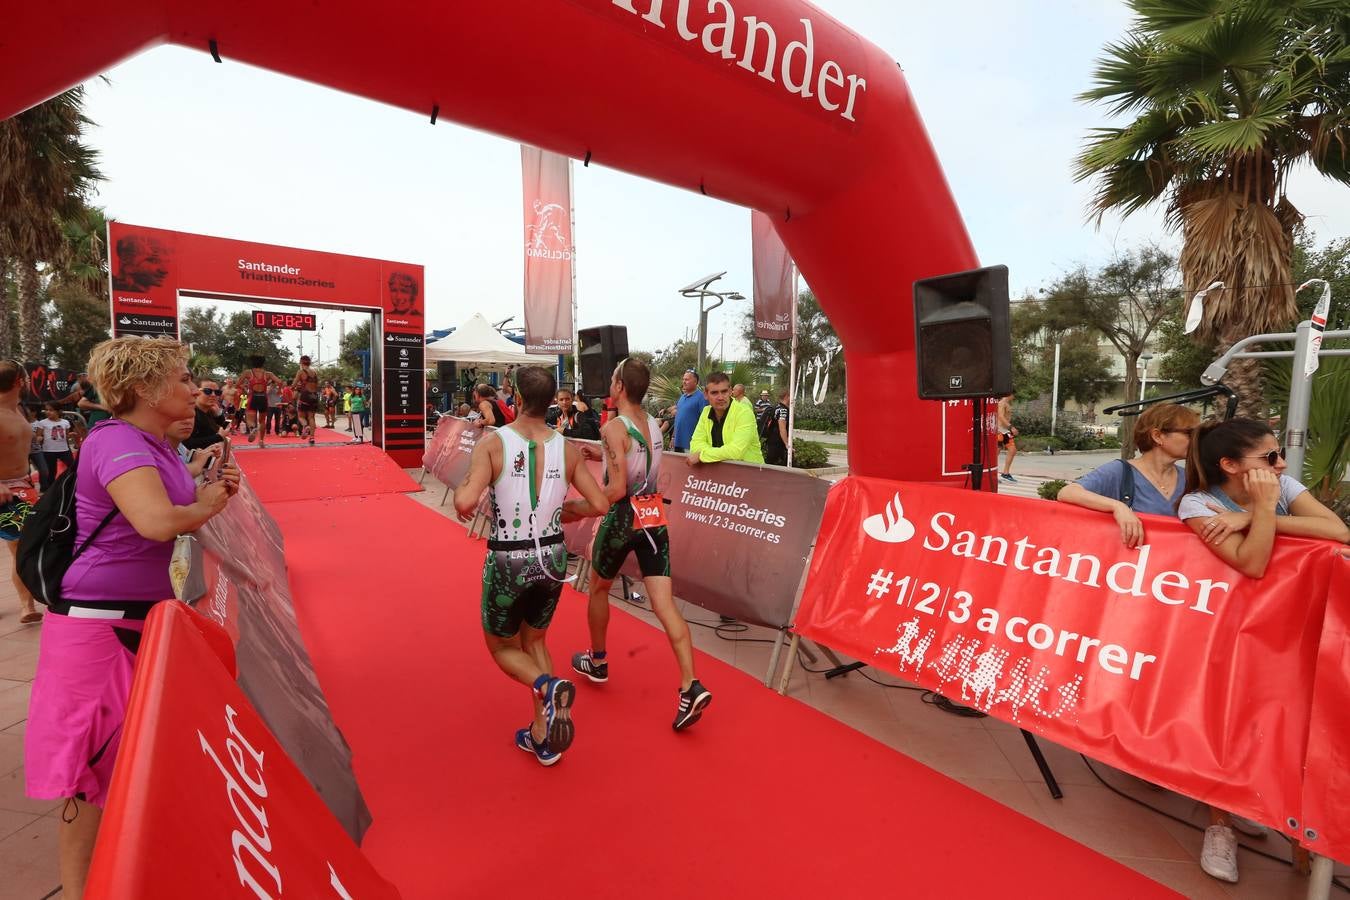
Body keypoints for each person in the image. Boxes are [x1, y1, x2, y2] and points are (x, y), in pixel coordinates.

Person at [24, 337, 239, 898]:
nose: (195, 388)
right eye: (182, 377)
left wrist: (201, 481)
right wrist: (207, 504)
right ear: (144, 388)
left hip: (140, 620)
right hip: (97, 627)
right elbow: (155, 521)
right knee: (91, 783)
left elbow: (174, 502)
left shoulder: (157, 442)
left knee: (132, 765)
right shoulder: (115, 440)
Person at [1175, 416, 1348, 884]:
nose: (1281, 464)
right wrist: (1266, 511)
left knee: (1283, 723)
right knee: (1227, 723)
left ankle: (1257, 807)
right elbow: (1251, 564)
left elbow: (1339, 530)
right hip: (1225, 631)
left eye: (1279, 455)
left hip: (1286, 630)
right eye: (1269, 458)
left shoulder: (1282, 485)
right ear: (1230, 465)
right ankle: (1220, 825)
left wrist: (1253, 513)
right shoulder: (1198, 502)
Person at [453, 365, 609, 765]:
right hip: (554, 558)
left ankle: (548, 684)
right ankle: (542, 735)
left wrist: (471, 490)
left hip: (510, 558)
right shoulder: (567, 448)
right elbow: (599, 504)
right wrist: (564, 512)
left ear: (517, 399)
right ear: (549, 401)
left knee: (503, 648)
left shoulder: (494, 443)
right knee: (535, 640)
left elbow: (465, 501)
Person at [569, 358, 713, 730]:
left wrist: (576, 508)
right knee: (664, 604)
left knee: (598, 588)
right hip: (653, 518)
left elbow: (616, 489)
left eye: (613, 380)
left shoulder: (613, 427)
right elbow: (638, 455)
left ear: (619, 388)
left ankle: (597, 660)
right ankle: (690, 684)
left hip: (621, 518)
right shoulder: (652, 423)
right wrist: (601, 456)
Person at [1056, 403, 1200, 547]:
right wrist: (1118, 507)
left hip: (1173, 567)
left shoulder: (1190, 479)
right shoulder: (1121, 471)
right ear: (1157, 436)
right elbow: (1067, 492)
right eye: (1190, 433)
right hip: (1131, 566)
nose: (1197, 440)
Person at [0, 364, 43, 626]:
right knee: (20, 546)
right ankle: (26, 605)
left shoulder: (17, 408)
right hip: (6, 490)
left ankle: (27, 604)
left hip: (21, 487)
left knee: (21, 546)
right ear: (19, 380)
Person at [688, 371, 765, 465]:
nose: (720, 397)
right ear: (706, 395)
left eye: (724, 391)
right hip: (720, 475)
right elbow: (695, 445)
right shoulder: (706, 412)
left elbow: (736, 451)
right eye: (714, 393)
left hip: (751, 474)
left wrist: (701, 455)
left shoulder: (744, 412)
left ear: (730, 391)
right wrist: (714, 454)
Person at [239, 355, 282, 448]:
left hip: (252, 397)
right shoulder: (268, 374)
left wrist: (244, 389)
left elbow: (238, 383)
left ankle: (252, 428)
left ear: (252, 363)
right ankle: (261, 441)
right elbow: (280, 382)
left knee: (249, 418)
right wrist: (279, 390)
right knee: (262, 421)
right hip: (263, 397)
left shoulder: (248, 372)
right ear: (263, 363)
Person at [34, 402, 76, 492]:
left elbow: (66, 436)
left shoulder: (65, 422)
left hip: (64, 449)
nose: (48, 412)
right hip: (49, 451)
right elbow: (38, 435)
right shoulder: (42, 423)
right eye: (46, 410)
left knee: (72, 467)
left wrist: (71, 435)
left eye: (51, 410)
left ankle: (72, 484)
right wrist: (39, 438)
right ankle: (49, 490)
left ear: (58, 411)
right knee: (51, 472)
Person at [669, 369, 708, 454]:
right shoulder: (682, 397)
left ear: (695, 382)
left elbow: (706, 421)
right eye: (683, 379)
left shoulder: (702, 398)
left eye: (687, 379)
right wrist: (673, 438)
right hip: (677, 443)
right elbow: (677, 419)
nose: (684, 382)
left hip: (690, 445)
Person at [184, 379, 227, 452]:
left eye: (217, 392)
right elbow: (187, 443)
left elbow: (224, 428)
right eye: (207, 391)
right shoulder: (190, 414)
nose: (213, 395)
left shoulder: (210, 412)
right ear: (196, 392)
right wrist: (218, 437)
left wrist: (219, 415)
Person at [293, 355, 321, 445]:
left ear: (301, 362)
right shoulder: (315, 372)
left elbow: (294, 384)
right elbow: (317, 385)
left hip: (305, 395)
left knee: (301, 416)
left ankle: (305, 426)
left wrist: (295, 387)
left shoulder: (301, 371)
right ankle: (312, 438)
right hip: (314, 396)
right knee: (311, 417)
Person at [759, 388, 791, 467]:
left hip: (772, 440)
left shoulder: (776, 407)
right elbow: (782, 428)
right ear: (787, 397)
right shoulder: (783, 410)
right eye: (791, 396)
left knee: (771, 463)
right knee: (774, 464)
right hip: (778, 442)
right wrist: (787, 444)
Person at [996, 393, 1018, 483]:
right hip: (999, 430)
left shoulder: (1007, 403)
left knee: (1012, 449)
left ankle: (1006, 473)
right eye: (1014, 395)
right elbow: (1000, 416)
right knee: (996, 452)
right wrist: (1011, 427)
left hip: (1005, 431)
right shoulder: (1002, 403)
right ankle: (992, 474)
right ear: (1011, 394)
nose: (1014, 397)